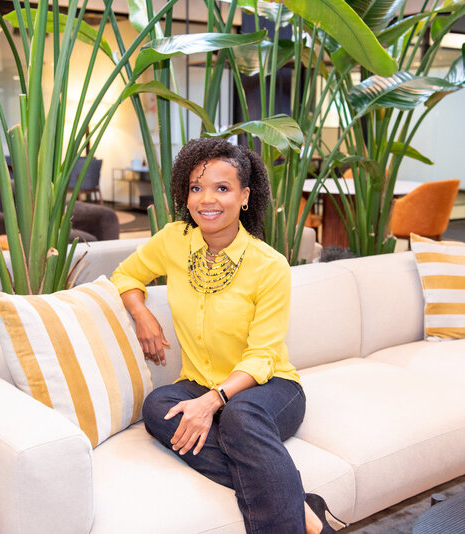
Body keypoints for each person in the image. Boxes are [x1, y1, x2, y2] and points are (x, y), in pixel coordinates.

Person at [111, 138, 339, 534]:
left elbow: (263, 356)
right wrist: (141, 311)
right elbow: (126, 275)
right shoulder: (173, 240)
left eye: (221, 188)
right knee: (158, 408)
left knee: (239, 415)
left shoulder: (269, 265)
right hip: (197, 382)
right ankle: (298, 504)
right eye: (196, 188)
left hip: (270, 388)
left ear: (245, 196)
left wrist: (212, 402)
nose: (206, 200)